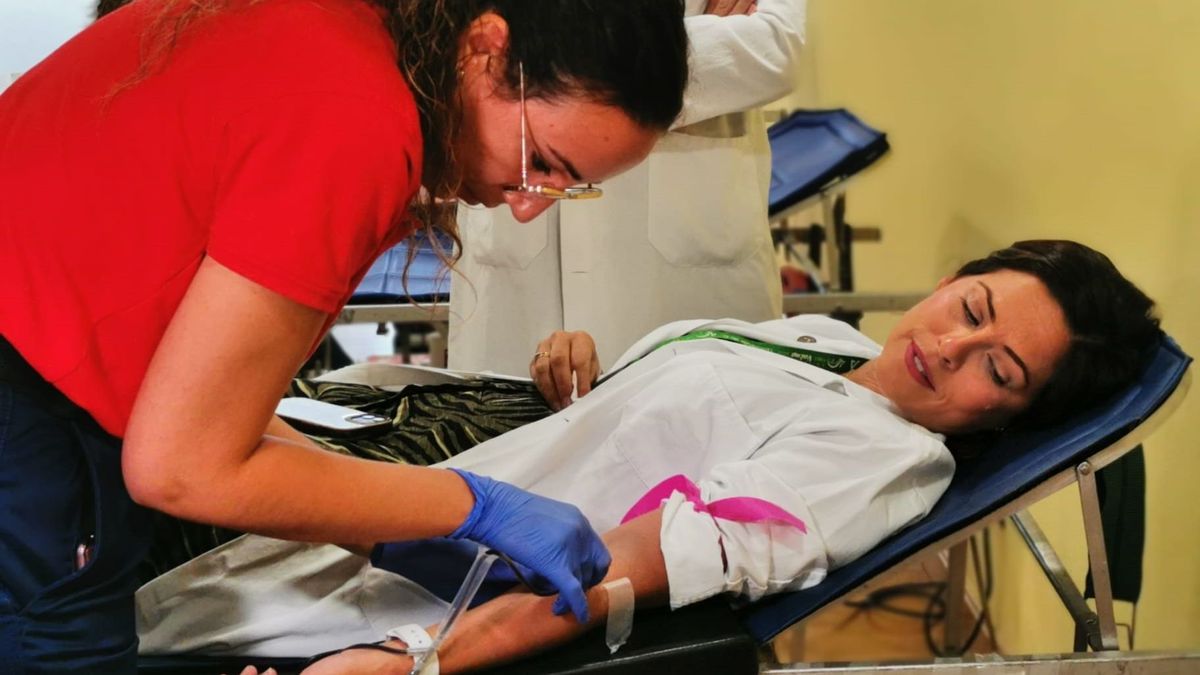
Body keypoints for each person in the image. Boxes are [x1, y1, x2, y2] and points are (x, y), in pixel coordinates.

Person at [0, 0, 690, 669]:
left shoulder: (329, 32)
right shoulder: (356, 118)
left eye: (567, 189)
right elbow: (179, 468)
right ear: (488, 48)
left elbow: (202, 407)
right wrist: (469, 506)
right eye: (539, 159)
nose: (527, 207)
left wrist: (388, 528)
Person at [136, 240, 1161, 673]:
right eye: (970, 309)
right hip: (436, 468)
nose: (948, 347)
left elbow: (625, 566)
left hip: (411, 591)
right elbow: (664, 428)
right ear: (950, 279)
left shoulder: (882, 464)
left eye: (1001, 371)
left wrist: (418, 664)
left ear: (1008, 418)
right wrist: (582, 381)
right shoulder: (832, 347)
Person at [448, 0, 807, 384]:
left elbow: (785, 43)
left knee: (695, 417)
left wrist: (560, 63)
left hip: (678, 263)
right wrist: (654, 49)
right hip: (514, 256)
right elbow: (459, 36)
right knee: (500, 427)